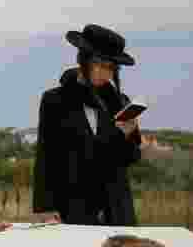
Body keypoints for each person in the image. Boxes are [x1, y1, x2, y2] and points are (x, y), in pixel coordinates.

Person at [31, 24, 142, 226]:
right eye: (99, 64)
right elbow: (46, 156)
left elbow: (131, 158)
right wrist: (43, 207)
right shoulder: (55, 100)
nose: (105, 73)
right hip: (71, 205)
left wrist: (129, 135)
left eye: (111, 68)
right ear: (83, 61)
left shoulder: (120, 102)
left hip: (116, 209)